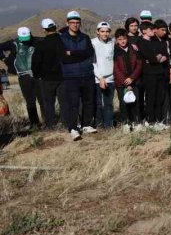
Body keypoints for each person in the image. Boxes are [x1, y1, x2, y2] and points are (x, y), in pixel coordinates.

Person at [57, 11, 98, 140]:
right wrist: (81, 54)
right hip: (71, 76)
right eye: (72, 23)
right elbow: (63, 58)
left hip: (87, 74)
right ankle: (73, 128)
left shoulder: (85, 37)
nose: (75, 25)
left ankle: (86, 124)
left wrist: (73, 53)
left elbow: (89, 53)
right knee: (73, 103)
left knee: (88, 101)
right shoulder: (62, 39)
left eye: (77, 23)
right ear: (67, 23)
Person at [2, 27, 41, 129]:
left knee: (43, 99)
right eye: (23, 39)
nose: (26, 41)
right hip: (23, 76)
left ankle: (49, 123)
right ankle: (35, 124)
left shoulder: (37, 41)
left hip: (37, 74)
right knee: (30, 102)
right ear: (18, 36)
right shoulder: (13, 43)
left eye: (27, 38)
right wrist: (5, 60)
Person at [137, 20, 171, 128]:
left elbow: (163, 56)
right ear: (144, 31)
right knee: (151, 97)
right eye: (151, 29)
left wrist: (157, 58)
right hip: (149, 74)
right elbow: (151, 58)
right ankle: (150, 120)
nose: (153, 31)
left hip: (159, 73)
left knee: (159, 97)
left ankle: (158, 119)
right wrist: (156, 58)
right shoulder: (141, 42)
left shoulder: (153, 41)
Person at [31, 18, 63, 128]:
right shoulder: (63, 41)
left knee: (48, 103)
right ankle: (66, 123)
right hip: (63, 77)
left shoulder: (41, 44)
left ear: (44, 30)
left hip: (47, 79)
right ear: (55, 27)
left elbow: (35, 63)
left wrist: (37, 75)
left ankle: (50, 125)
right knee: (64, 102)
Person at [113, 27, 143, 130]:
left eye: (124, 38)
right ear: (116, 40)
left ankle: (136, 121)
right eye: (120, 39)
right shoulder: (115, 51)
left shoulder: (133, 49)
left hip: (135, 81)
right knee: (124, 103)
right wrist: (125, 82)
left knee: (136, 102)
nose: (122, 41)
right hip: (121, 84)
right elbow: (115, 69)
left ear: (127, 38)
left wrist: (132, 78)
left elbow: (139, 65)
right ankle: (126, 123)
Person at [91, 21, 116, 128]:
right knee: (98, 103)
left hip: (111, 78)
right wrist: (100, 77)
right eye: (102, 31)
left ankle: (109, 125)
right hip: (98, 78)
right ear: (97, 32)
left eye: (107, 31)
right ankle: (99, 124)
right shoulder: (93, 43)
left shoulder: (113, 42)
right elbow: (93, 63)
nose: (105, 34)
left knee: (109, 103)